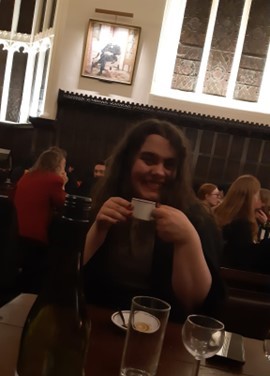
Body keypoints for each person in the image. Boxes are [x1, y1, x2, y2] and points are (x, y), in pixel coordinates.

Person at [83, 119, 225, 320]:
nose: (159, 172)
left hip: (166, 334)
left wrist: (188, 239)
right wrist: (98, 230)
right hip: (97, 323)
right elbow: (63, 279)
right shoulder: (99, 204)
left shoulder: (197, 218)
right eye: (149, 160)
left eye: (169, 164)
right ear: (128, 161)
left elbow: (198, 305)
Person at [14, 147, 68, 293]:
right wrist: (63, 183)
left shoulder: (26, 176)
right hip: (35, 237)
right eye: (63, 166)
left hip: (15, 233)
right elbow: (64, 204)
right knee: (34, 279)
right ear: (57, 166)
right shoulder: (54, 179)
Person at [214, 175, 270, 273]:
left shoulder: (218, 213)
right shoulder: (242, 224)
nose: (259, 198)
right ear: (250, 197)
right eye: (257, 194)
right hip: (231, 277)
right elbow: (243, 260)